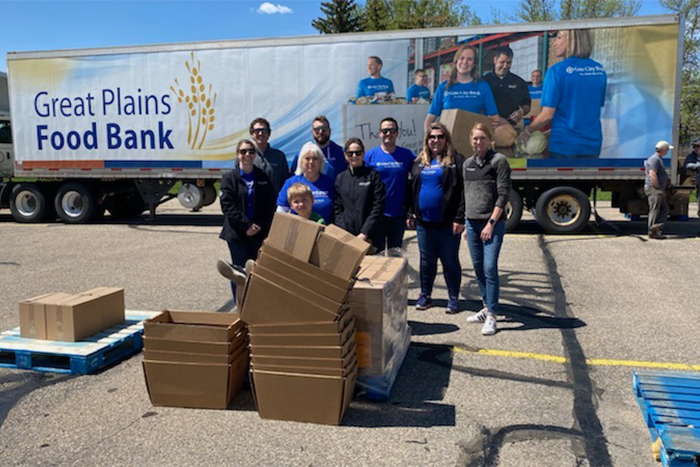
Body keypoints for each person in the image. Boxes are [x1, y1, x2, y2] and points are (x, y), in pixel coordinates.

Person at [516, 29, 607, 158]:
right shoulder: (599, 70)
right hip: (592, 145)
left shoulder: (556, 71)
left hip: (564, 146)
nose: (554, 44)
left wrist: (527, 131)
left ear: (571, 40)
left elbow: (547, 115)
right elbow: (586, 111)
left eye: (559, 38)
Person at [407, 123, 465, 313]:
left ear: (446, 139)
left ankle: (454, 298)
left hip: (448, 223)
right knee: (426, 261)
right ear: (427, 140)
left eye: (440, 137)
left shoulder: (456, 161)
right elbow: (411, 189)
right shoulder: (419, 163)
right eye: (432, 137)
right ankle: (425, 295)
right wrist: (410, 212)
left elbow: (462, 192)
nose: (436, 140)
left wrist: (459, 218)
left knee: (450, 261)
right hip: (424, 223)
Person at [462, 124, 511, 336]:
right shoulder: (467, 164)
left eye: (482, 138)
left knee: (490, 267)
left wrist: (491, 223)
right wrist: (465, 224)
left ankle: (492, 315)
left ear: (489, 139)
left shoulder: (499, 161)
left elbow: (503, 194)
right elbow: (467, 196)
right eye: (475, 139)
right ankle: (485, 306)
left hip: (492, 224)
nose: (478, 143)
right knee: (478, 267)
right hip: (472, 224)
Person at [218, 139, 276, 302]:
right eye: (243, 151)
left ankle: (253, 305)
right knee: (238, 272)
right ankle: (239, 304)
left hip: (258, 233)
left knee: (255, 271)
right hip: (237, 234)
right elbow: (228, 206)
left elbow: (269, 205)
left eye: (251, 151)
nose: (247, 155)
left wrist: (257, 226)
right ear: (238, 155)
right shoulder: (229, 178)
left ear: (255, 154)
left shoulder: (263, 177)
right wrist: (246, 225)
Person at [365, 117, 416, 255]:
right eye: (385, 130)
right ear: (379, 133)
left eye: (392, 130)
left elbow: (419, 172)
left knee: (395, 254)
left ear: (397, 133)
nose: (388, 133)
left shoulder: (407, 155)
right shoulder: (370, 156)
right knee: (377, 254)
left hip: (398, 214)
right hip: (377, 214)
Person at [424, 45, 500, 132]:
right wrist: (430, 139)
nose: (465, 62)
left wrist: (495, 121)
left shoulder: (483, 87)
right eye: (462, 58)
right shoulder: (444, 87)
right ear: (456, 61)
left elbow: (493, 116)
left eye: (469, 59)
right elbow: (430, 119)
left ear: (474, 64)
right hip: (448, 141)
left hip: (474, 141)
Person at [334, 138, 386, 246]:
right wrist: (344, 232)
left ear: (363, 154)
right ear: (345, 155)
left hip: (370, 237)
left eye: (358, 153)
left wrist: (364, 233)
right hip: (347, 237)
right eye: (350, 153)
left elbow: (378, 206)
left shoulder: (373, 176)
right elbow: (337, 208)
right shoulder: (340, 178)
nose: (354, 156)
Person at [278, 142, 335, 224]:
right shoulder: (291, 183)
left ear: (320, 162)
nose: (311, 162)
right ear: (301, 161)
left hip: (324, 232)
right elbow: (281, 212)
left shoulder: (330, 183)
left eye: (315, 158)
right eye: (307, 158)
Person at [482, 46, 531, 126]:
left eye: (508, 63)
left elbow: (527, 104)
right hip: (488, 125)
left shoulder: (519, 83)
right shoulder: (484, 82)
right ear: (495, 60)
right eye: (502, 62)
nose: (505, 66)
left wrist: (521, 111)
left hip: (512, 126)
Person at [249, 118, 289, 193]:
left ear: (269, 133)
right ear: (252, 134)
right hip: (251, 203)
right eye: (257, 131)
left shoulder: (279, 156)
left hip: (274, 203)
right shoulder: (245, 156)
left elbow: (285, 183)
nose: (260, 133)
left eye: (264, 131)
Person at [645, 140, 673, 239]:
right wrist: (657, 188)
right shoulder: (655, 159)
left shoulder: (658, 159)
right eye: (667, 150)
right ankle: (652, 230)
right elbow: (652, 174)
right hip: (654, 189)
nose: (668, 152)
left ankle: (656, 227)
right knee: (655, 209)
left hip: (658, 189)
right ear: (664, 149)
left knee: (664, 209)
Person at [682, 138, 700, 217]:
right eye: (694, 146)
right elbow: (687, 165)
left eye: (698, 146)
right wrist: (698, 165)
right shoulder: (692, 156)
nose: (696, 148)